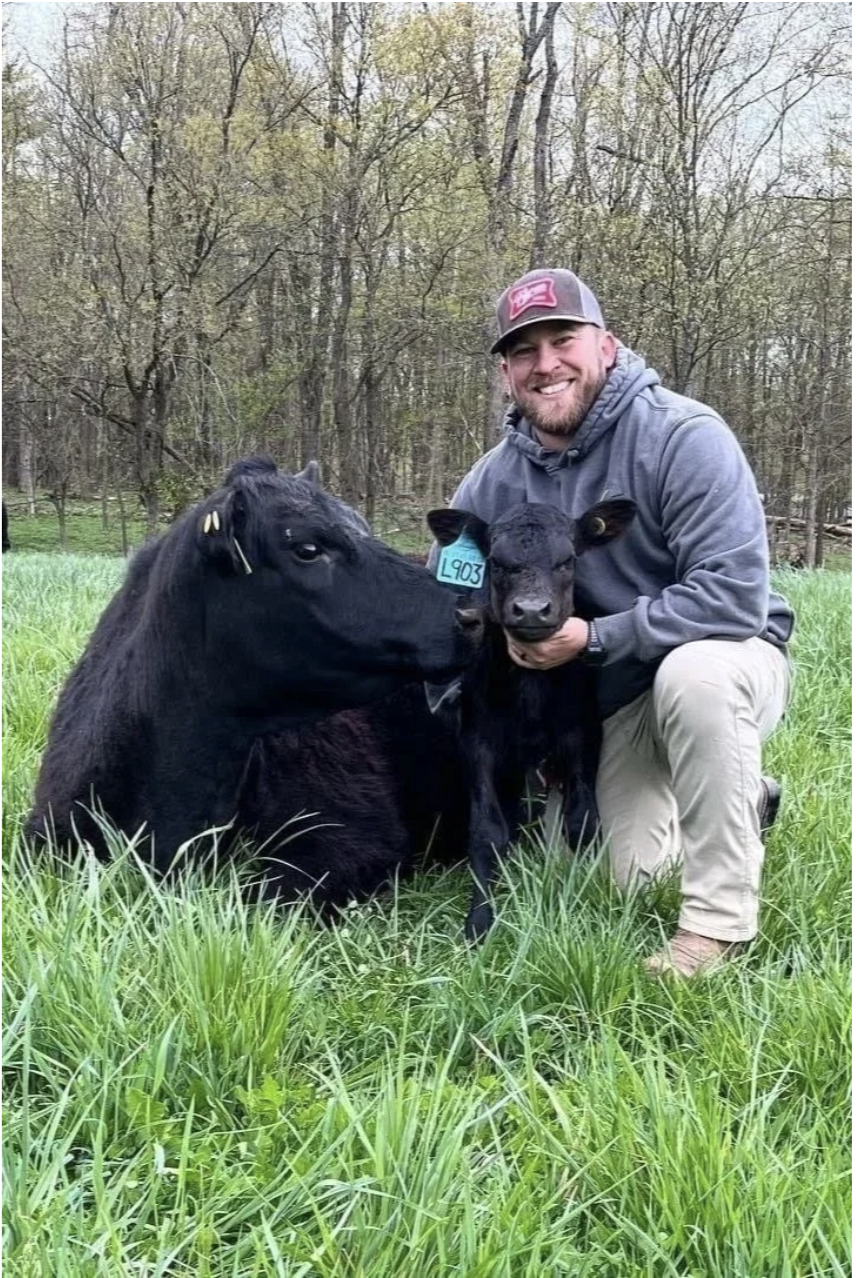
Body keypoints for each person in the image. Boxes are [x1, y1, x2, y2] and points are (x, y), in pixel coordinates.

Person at [443, 268, 793, 977]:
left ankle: (714, 929)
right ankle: (736, 800)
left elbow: (734, 597)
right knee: (607, 880)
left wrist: (595, 638)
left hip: (713, 662)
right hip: (603, 704)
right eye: (523, 351)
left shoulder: (683, 437)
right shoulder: (489, 481)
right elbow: (449, 587)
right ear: (507, 374)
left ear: (607, 345)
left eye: (562, 339)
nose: (545, 364)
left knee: (697, 677)